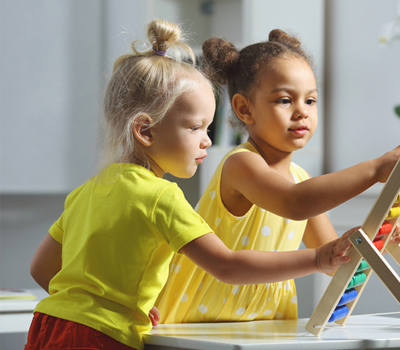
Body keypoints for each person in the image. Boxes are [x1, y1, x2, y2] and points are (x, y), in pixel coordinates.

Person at [24, 20, 360, 350]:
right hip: (101, 338)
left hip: (47, 325)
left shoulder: (89, 189)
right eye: (196, 128)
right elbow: (227, 266)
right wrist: (315, 260)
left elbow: (42, 269)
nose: (206, 142)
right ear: (146, 131)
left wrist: (95, 306)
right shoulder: (162, 198)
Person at [155, 29, 400, 323]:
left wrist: (379, 238)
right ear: (244, 108)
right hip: (195, 325)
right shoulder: (241, 165)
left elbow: (334, 263)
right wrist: (375, 169)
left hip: (264, 327)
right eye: (285, 100)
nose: (302, 112)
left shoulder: (300, 178)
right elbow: (294, 203)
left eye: (310, 101)